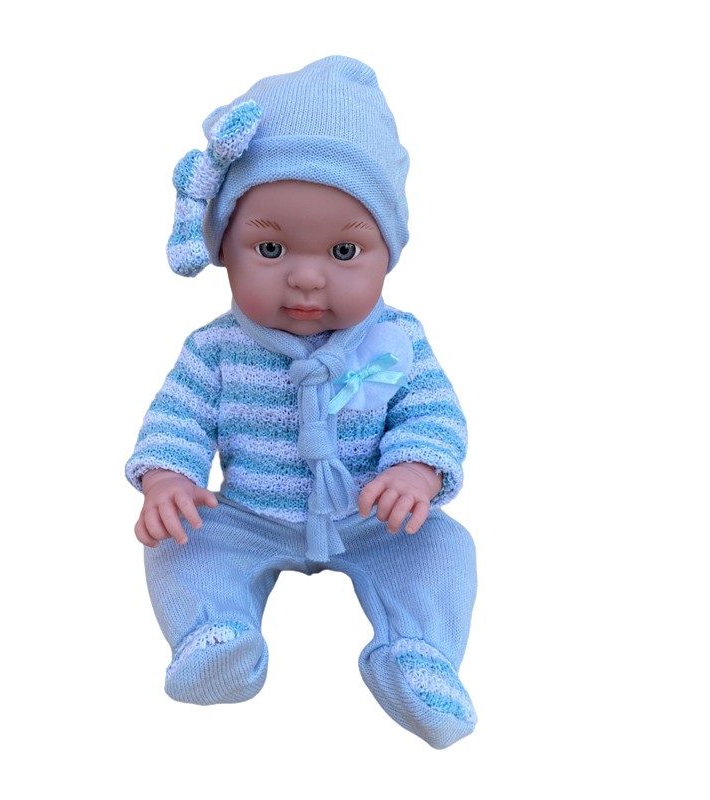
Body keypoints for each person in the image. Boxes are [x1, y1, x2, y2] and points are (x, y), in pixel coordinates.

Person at [126, 56, 477, 749]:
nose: (308, 277)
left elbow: (431, 411)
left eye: (345, 250)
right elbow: (178, 418)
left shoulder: (395, 341)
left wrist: (415, 470)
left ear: (388, 254)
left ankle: (419, 657)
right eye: (271, 247)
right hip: (249, 516)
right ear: (223, 249)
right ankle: (217, 637)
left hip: (372, 516)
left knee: (442, 545)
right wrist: (168, 480)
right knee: (178, 543)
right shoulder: (216, 349)